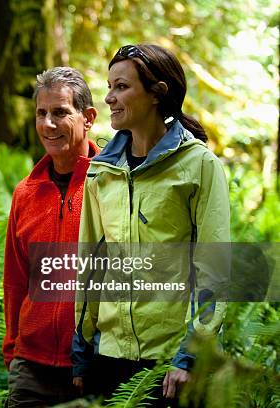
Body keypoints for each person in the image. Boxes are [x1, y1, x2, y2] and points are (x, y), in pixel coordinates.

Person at [72, 44, 230, 405]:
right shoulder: (101, 172)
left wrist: (189, 356)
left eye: (122, 87)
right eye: (109, 86)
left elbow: (215, 271)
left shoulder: (200, 166)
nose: (110, 97)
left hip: (172, 363)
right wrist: (82, 348)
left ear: (157, 93)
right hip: (108, 357)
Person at [3, 67, 99, 407]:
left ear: (88, 118)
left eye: (60, 112)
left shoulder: (111, 185)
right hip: (32, 367)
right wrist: (13, 350)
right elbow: (15, 280)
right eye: (41, 114)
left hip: (95, 365)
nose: (48, 124)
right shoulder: (25, 194)